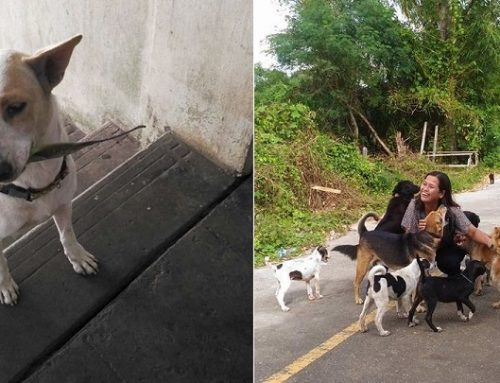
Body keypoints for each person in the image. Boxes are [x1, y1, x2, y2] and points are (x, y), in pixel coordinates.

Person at [401, 171, 494, 276]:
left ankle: (459, 279)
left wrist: (491, 243)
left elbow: (472, 232)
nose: (425, 189)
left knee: (449, 263)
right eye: (424, 184)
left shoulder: (451, 210)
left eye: (431, 186)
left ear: (441, 193)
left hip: (445, 246)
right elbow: (407, 235)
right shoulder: (414, 205)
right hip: (424, 247)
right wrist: (421, 232)